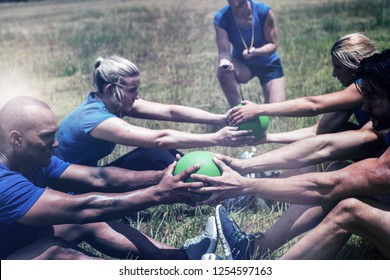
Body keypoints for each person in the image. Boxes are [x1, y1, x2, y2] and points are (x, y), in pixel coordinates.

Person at [192, 49, 390, 259]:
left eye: (373, 98)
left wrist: (244, 185)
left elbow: (329, 185)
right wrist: (242, 166)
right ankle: (252, 250)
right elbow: (324, 145)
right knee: (340, 168)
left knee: (350, 211)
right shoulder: (376, 127)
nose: (365, 107)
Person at [0, 96, 218, 260]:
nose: (55, 144)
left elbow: (100, 178)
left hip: (14, 243)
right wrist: (159, 194)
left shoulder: (32, 161)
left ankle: (184, 260)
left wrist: (160, 176)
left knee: (90, 223)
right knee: (56, 251)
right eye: (47, 137)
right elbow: (81, 208)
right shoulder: (4, 182)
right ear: (16, 139)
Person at [55, 55, 253, 169]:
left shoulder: (112, 102)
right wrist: (216, 139)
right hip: (70, 191)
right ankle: (224, 192)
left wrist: (220, 119)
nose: (137, 96)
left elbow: (170, 112)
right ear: (110, 89)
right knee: (157, 152)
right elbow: (159, 138)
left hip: (87, 179)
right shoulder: (94, 119)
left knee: (158, 155)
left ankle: (226, 179)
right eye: (132, 90)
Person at [228, 32, 378, 144]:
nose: (334, 74)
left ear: (359, 62)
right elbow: (316, 131)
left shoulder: (368, 82)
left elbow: (313, 105)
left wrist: (259, 109)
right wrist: (268, 138)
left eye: (338, 67)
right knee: (336, 130)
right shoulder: (350, 97)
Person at [214, 0, 286, 107]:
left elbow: (273, 45)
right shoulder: (221, 17)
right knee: (223, 70)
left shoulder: (264, 11)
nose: (235, 4)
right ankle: (238, 111)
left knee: (277, 111)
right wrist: (225, 63)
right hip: (243, 64)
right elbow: (223, 53)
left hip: (268, 63)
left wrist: (256, 51)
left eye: (240, 2)